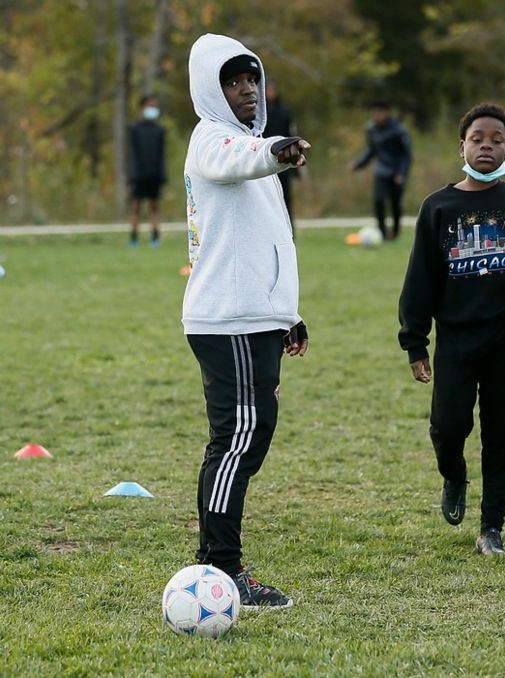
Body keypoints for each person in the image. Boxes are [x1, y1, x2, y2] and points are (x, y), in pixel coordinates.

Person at [183, 33, 310, 609]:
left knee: (247, 437)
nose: (247, 90)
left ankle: (217, 560)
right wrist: (276, 152)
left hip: (255, 317)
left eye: (251, 79)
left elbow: (267, 241)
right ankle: (223, 568)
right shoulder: (213, 140)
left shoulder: (249, 147)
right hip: (227, 319)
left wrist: (289, 314)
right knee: (236, 441)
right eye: (234, 82)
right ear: (213, 90)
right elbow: (235, 162)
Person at [398, 103, 505, 557]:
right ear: (462, 145)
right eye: (477, 138)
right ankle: (454, 475)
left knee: (501, 434)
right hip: (455, 340)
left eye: (497, 139)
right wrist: (415, 342)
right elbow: (419, 279)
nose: (487, 145)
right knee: (448, 428)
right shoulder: (438, 206)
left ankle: (491, 528)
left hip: (504, 337)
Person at [350, 100, 413, 241]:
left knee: (395, 203)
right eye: (374, 113)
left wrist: (401, 173)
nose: (377, 116)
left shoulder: (399, 129)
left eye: (380, 112)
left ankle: (395, 231)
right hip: (382, 171)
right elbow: (372, 151)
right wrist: (358, 164)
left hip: (397, 172)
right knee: (378, 201)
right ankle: (382, 233)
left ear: (387, 113)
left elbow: (407, 155)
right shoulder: (371, 129)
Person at [127, 94, 168, 248]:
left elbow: (161, 154)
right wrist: (132, 175)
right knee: (136, 207)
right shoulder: (135, 129)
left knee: (154, 207)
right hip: (139, 175)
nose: (153, 109)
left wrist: (162, 175)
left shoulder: (160, 130)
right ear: (142, 108)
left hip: (154, 175)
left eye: (154, 106)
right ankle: (133, 238)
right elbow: (132, 154)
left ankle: (155, 237)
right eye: (150, 106)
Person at [262, 79, 299, 224]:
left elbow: (291, 134)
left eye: (272, 89)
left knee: (285, 197)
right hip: (265, 161)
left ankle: (289, 233)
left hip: (284, 160)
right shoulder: (260, 114)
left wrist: (294, 163)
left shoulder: (285, 111)